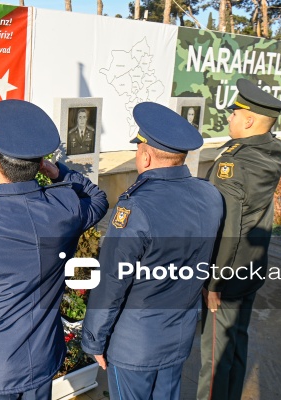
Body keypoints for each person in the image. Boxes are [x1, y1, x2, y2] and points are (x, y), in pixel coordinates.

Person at [0, 100, 108, 399]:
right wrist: (58, 172)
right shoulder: (64, 207)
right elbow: (97, 198)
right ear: (39, 165)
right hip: (44, 359)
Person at [81, 102, 223, 400]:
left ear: (145, 155)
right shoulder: (210, 195)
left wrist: (94, 340)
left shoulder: (136, 207)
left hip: (134, 346)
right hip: (178, 338)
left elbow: (111, 282)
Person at [197, 79, 281, 400]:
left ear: (249, 120)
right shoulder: (273, 149)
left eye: (234, 113)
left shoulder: (233, 164)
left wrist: (214, 283)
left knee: (214, 357)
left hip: (228, 273)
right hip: (253, 267)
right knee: (237, 343)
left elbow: (230, 228)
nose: (229, 118)